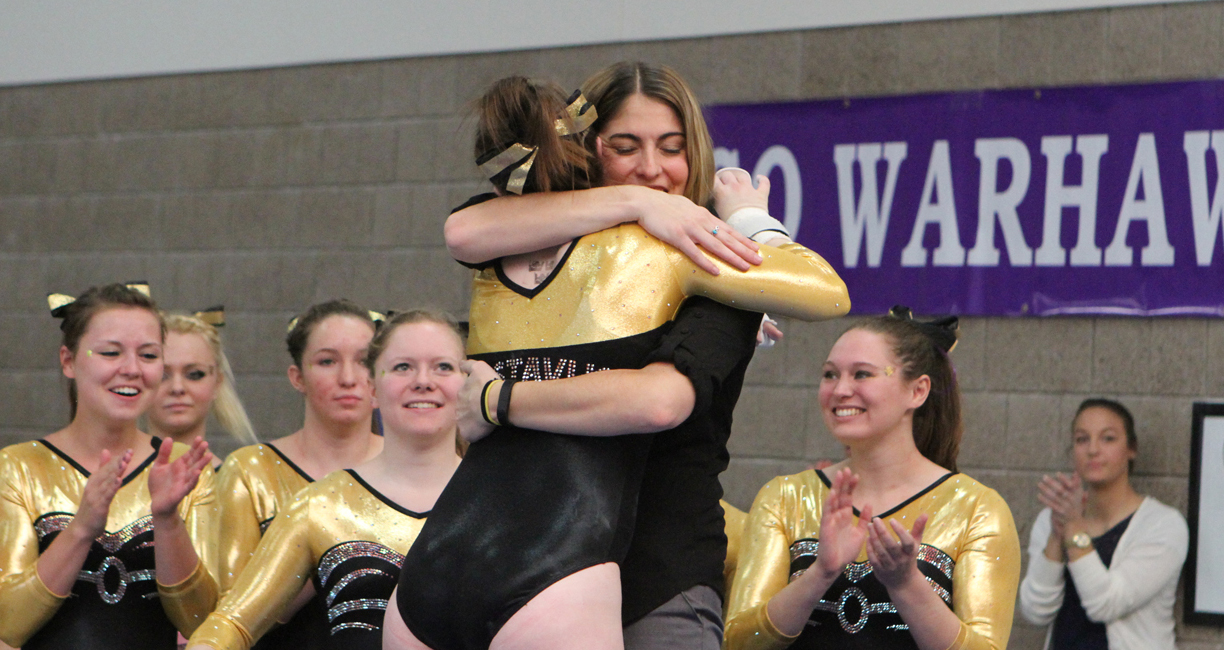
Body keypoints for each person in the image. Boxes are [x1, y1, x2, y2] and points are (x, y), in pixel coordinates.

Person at [386, 74, 848, 650]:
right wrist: (641, 203)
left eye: (672, 148)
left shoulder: (692, 253)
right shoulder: (527, 232)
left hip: (647, 573)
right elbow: (462, 228)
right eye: (625, 147)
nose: (652, 169)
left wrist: (495, 400)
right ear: (582, 145)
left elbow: (662, 399)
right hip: (515, 558)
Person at [724, 308, 1021, 650]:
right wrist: (819, 573)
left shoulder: (977, 508)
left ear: (918, 391)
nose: (841, 390)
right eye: (829, 375)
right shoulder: (785, 497)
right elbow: (737, 642)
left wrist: (907, 584)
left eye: (862, 374)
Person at [187, 310, 465, 650]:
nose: (423, 381)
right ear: (373, 386)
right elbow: (231, 622)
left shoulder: (499, 499)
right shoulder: (321, 504)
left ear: (468, 385)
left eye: (444, 367)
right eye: (403, 367)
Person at [0, 283, 216, 650]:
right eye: (111, 353)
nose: (131, 369)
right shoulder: (18, 467)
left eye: (148, 356)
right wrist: (81, 528)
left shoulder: (183, 467)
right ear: (68, 360)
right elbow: (8, 623)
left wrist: (167, 521)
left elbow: (203, 622)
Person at [210, 300, 383, 650]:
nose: (348, 378)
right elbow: (230, 611)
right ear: (297, 377)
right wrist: (323, 544)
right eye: (327, 361)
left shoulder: (414, 467)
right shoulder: (251, 469)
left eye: (364, 361)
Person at [1018, 399, 1187, 650]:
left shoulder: (1163, 525)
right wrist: (1057, 534)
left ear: (1132, 449)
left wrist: (1074, 529)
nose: (1093, 450)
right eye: (1082, 439)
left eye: (1108, 438)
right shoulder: (1053, 518)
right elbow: (1035, 611)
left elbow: (1104, 604)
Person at [147, 308, 258, 464]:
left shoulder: (238, 482)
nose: (177, 388)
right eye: (162, 376)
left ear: (217, 383)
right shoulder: (111, 478)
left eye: (194, 374)